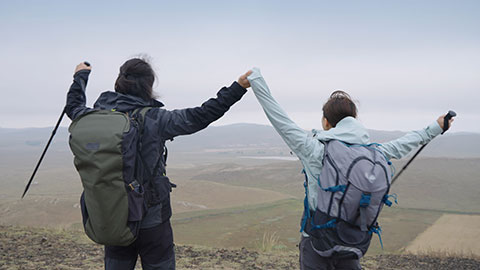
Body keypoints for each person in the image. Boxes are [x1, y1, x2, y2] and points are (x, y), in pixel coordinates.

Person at [245, 68, 453, 270]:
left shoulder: (316, 150)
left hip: (316, 242)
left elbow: (281, 120)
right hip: (352, 240)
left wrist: (256, 80)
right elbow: (405, 143)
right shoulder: (374, 152)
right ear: (354, 120)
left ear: (326, 123)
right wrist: (437, 126)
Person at [66, 58, 252, 270]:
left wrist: (80, 76)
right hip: (152, 218)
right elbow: (201, 115)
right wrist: (238, 88)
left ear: (119, 82)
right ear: (148, 85)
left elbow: (73, 107)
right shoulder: (155, 119)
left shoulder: (91, 117)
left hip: (113, 211)